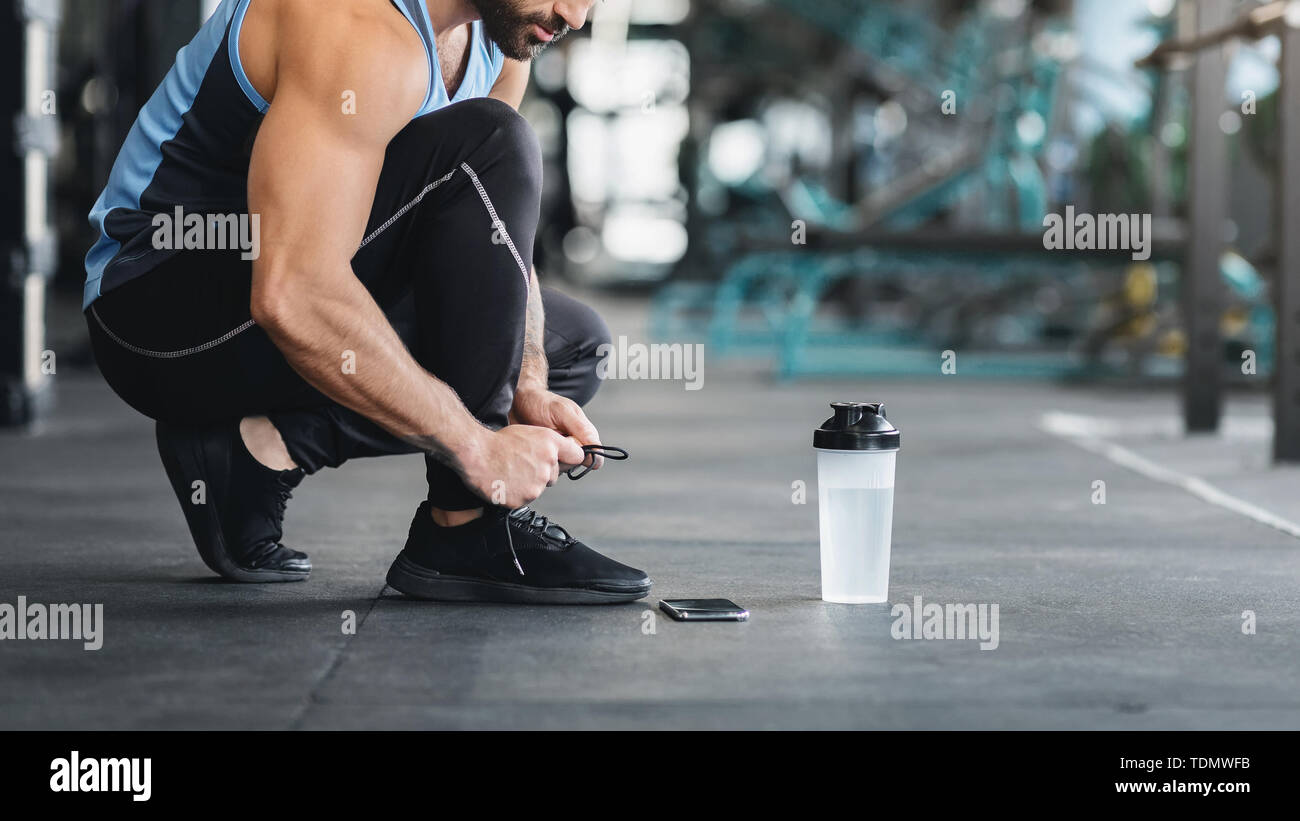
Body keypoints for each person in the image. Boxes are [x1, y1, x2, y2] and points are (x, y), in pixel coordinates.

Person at [82, 0, 651, 604]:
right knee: (492, 138)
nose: (576, 15)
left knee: (570, 348)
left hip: (278, 298)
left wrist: (527, 383)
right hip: (157, 312)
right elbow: (295, 290)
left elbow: (496, 230)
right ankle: (463, 528)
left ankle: (255, 451)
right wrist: (477, 448)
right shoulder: (351, 18)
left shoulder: (498, 44)